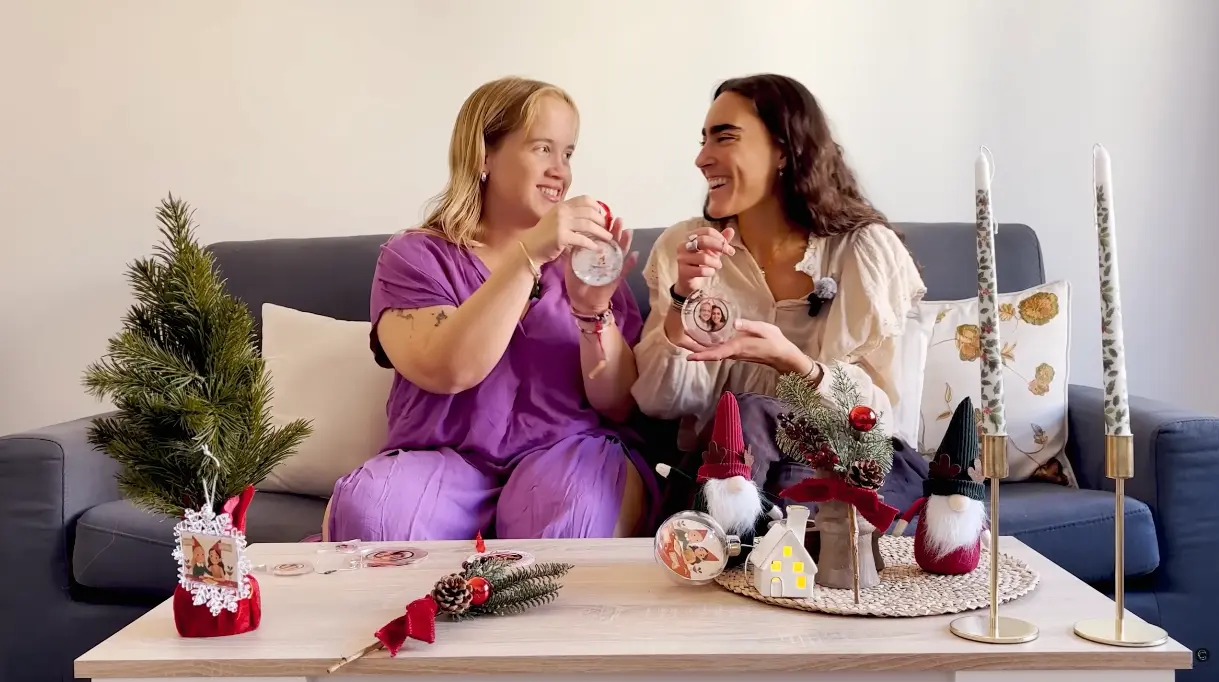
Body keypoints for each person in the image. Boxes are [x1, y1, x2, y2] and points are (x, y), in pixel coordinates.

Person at [324, 77, 657, 543]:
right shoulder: (414, 258)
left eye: (568, 153)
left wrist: (592, 311)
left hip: (566, 454)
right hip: (441, 460)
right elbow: (449, 370)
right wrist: (529, 256)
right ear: (484, 155)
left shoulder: (588, 260)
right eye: (542, 148)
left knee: (576, 521)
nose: (560, 170)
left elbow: (619, 403)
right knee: (371, 518)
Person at [631, 74, 926, 452]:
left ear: (783, 150)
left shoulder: (863, 253)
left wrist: (793, 363)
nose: (702, 159)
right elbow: (659, 404)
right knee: (741, 423)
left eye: (725, 137)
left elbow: (881, 422)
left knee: (752, 416)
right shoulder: (685, 248)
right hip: (728, 480)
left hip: (832, 478)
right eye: (704, 140)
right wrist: (681, 300)